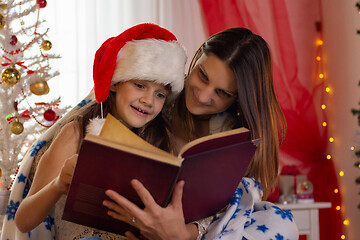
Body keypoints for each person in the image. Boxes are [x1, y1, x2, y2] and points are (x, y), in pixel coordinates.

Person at [101, 27, 299, 240]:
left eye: (222, 92)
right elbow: (92, 106)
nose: (203, 96)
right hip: (136, 218)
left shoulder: (237, 134)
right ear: (196, 59)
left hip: (202, 231)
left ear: (239, 99)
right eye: (202, 75)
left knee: (281, 222)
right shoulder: (159, 88)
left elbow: (239, 202)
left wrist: (186, 234)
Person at [1, 23, 187, 240]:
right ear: (115, 83)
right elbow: (24, 220)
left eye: (160, 94)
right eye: (139, 85)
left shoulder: (162, 139)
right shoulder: (75, 133)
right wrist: (59, 184)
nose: (148, 100)